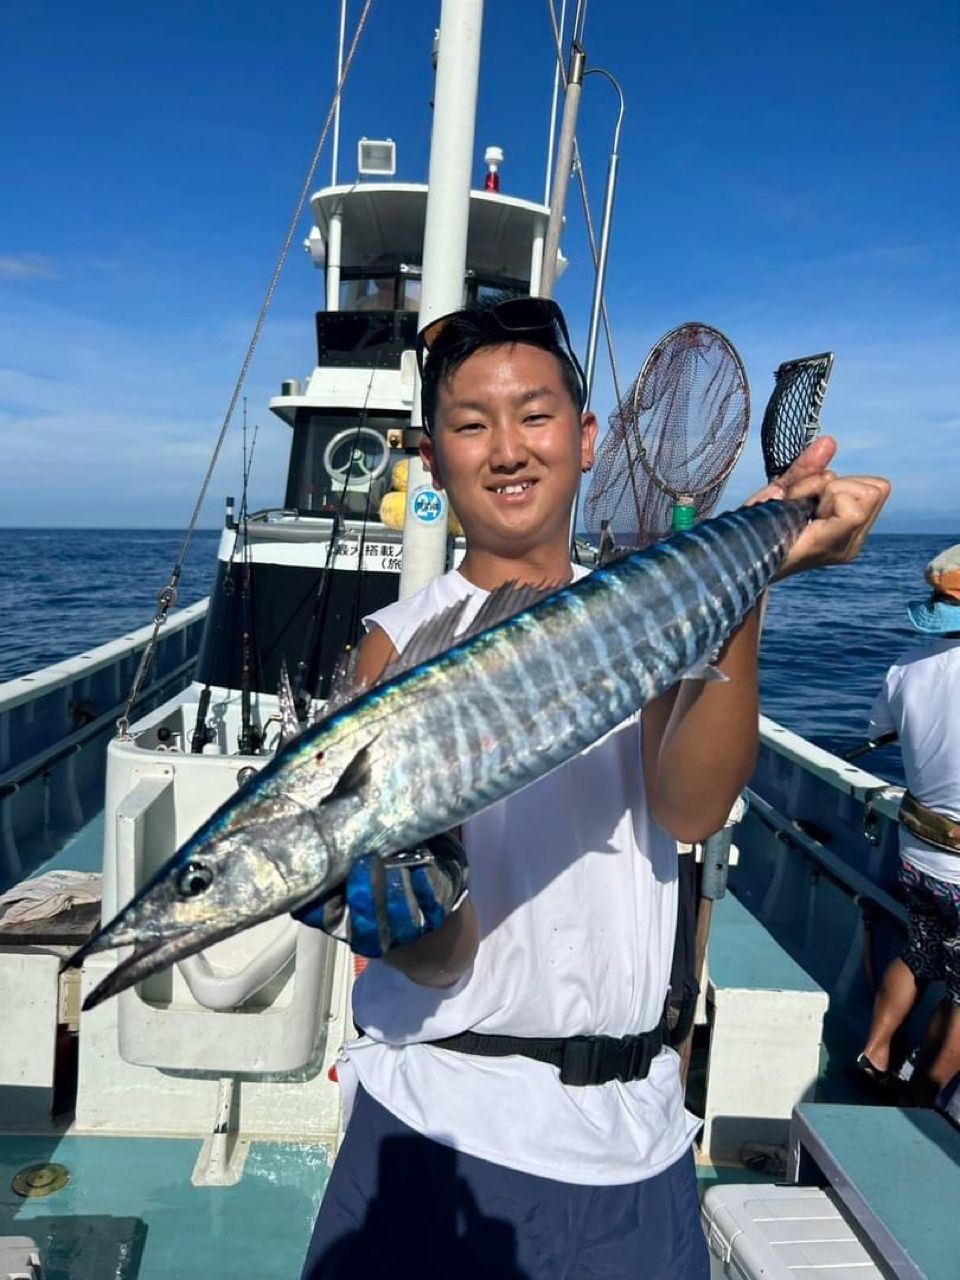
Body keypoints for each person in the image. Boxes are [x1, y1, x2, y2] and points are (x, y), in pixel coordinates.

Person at [297, 297, 890, 1279]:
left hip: (641, 1134)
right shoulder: (395, 648)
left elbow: (691, 807)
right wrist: (367, 881)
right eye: (470, 423)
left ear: (585, 438)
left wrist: (743, 569)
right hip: (446, 1119)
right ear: (435, 458)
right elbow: (435, 957)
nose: (506, 448)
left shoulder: (646, 605)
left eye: (534, 415)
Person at [856, 544, 960, 1104]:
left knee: (919, 954)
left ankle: (873, 1055)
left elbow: (882, 728)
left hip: (918, 852)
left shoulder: (905, 666)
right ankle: (930, 1096)